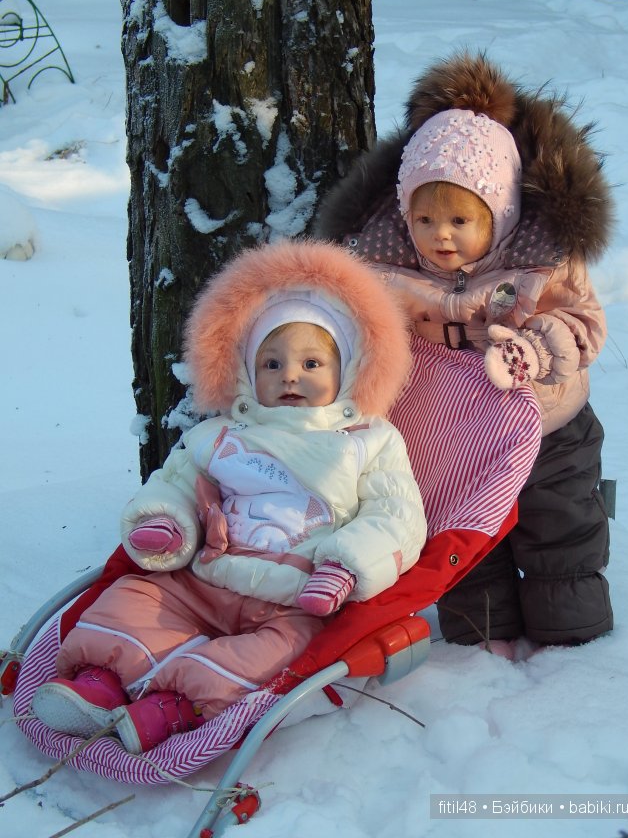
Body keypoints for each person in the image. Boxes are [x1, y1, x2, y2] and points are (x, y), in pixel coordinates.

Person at [31, 239, 427, 753]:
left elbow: (397, 515)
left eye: (311, 363)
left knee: (283, 652)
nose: (289, 375)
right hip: (204, 577)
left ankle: (176, 707)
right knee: (135, 598)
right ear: (245, 372)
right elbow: (174, 482)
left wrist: (346, 564)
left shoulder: (367, 440)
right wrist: (170, 523)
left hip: (295, 596)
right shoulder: (219, 435)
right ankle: (100, 685)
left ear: (348, 369)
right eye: (271, 363)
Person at [315, 51, 614, 649]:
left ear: (500, 211)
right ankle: (483, 640)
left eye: (459, 219)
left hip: (549, 421)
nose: (440, 235)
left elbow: (581, 323)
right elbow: (355, 327)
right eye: (423, 218)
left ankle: (573, 639)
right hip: (453, 433)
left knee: (560, 529)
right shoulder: (379, 262)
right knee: (465, 529)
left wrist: (537, 345)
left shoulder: (542, 255)